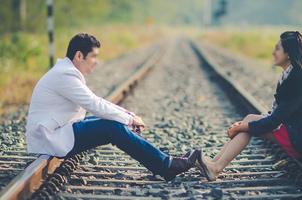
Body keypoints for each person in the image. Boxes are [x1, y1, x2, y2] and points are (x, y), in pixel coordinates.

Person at [25, 33, 199, 181]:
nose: (96, 62)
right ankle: (165, 166)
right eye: (93, 56)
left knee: (110, 121)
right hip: (50, 137)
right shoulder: (65, 75)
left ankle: (165, 162)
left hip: (59, 129)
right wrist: (129, 119)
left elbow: (96, 100)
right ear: (79, 56)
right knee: (111, 126)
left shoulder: (65, 72)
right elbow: (94, 104)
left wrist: (128, 115)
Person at [197, 31, 302, 181]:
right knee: (249, 120)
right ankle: (213, 163)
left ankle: (215, 168)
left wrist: (242, 127)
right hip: (300, 130)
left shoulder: (298, 80)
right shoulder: (291, 74)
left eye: (277, 49)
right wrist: (244, 125)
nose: (273, 52)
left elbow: (274, 121)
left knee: (248, 126)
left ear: (288, 54)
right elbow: (277, 114)